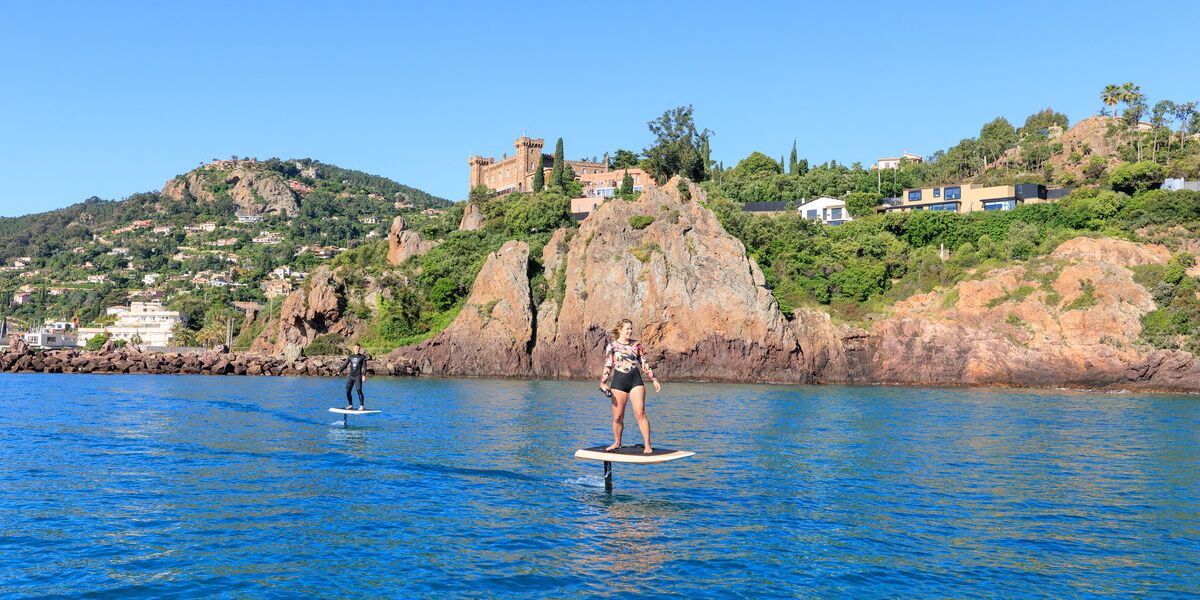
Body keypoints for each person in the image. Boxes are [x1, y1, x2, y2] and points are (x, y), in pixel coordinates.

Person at [598, 319, 661, 454]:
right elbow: (608, 365)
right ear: (620, 330)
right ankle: (617, 442)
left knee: (640, 413)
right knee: (618, 417)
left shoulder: (636, 345)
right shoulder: (612, 346)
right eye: (627, 329)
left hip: (635, 381)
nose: (630, 331)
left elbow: (644, 363)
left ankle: (647, 445)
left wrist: (653, 379)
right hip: (619, 382)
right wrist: (603, 382)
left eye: (631, 329)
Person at [340, 344, 369, 410]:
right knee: (348, 391)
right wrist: (339, 371)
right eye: (356, 348)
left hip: (358, 376)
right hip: (351, 376)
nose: (357, 349)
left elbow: (364, 367)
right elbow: (345, 365)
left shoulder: (362, 357)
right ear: (353, 348)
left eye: (359, 348)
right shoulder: (350, 357)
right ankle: (350, 405)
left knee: (359, 390)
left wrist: (364, 375)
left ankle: (362, 406)